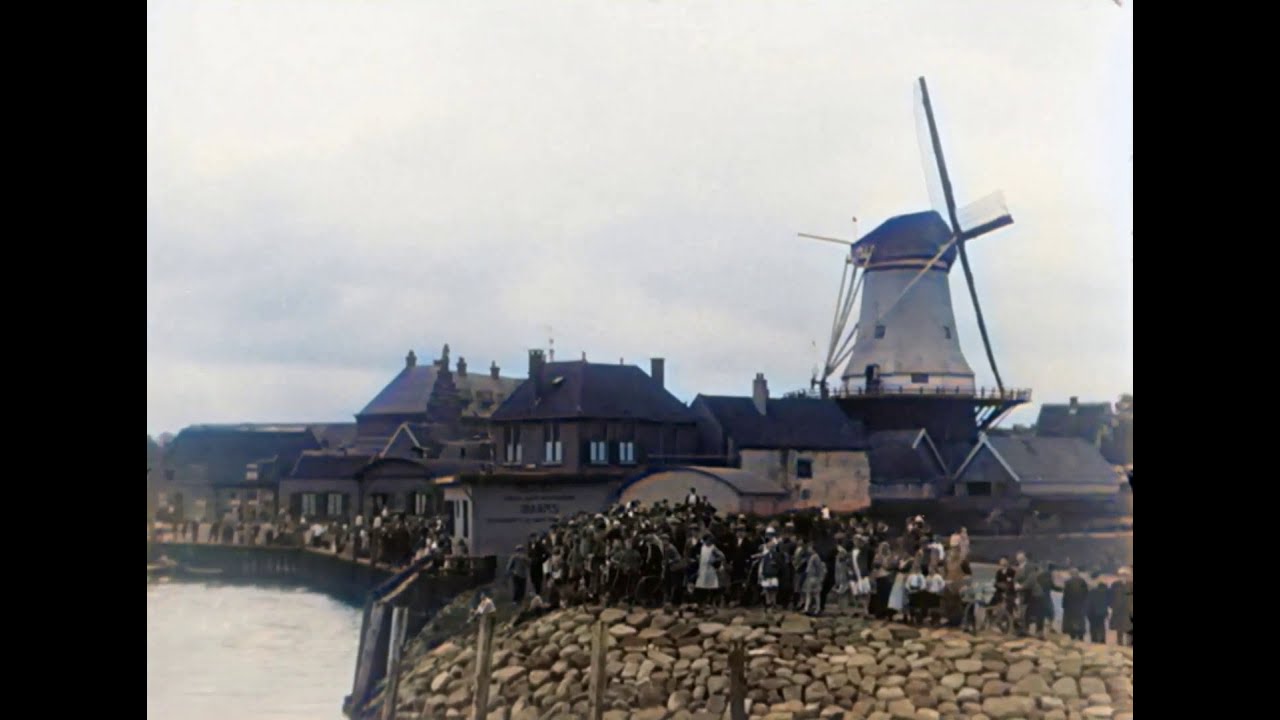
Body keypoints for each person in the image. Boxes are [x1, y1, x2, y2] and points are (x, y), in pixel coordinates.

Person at [694, 534, 726, 606]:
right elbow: (698, 556)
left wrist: (714, 560)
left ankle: (711, 602)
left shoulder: (713, 548)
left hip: (710, 570)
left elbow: (722, 556)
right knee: (700, 586)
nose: (709, 542)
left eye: (710, 540)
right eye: (708, 540)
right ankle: (701, 603)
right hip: (702, 568)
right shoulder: (702, 547)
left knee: (710, 586)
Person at [1061, 567, 1090, 641]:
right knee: (1080, 620)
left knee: (1071, 620)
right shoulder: (1082, 581)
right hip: (1080, 604)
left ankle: (1073, 635)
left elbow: (1066, 595)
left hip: (1070, 605)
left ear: (1071, 574)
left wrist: (1064, 605)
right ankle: (1081, 636)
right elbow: (1086, 593)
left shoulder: (1068, 582)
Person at [1110, 567, 1132, 646]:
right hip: (1118, 610)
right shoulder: (1115, 585)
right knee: (1119, 628)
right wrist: (1113, 605)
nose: (1123, 576)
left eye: (1125, 575)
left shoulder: (1131, 584)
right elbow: (1111, 596)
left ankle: (1129, 644)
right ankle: (1120, 643)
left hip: (1128, 610)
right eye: (1122, 575)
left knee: (1129, 627)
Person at [1086, 573, 1111, 643]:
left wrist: (1087, 611)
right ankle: (1102, 639)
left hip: (1092, 611)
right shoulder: (1107, 591)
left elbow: (1089, 601)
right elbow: (1109, 602)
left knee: (1093, 625)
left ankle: (1094, 639)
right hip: (1102, 611)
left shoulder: (1093, 591)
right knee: (1101, 625)